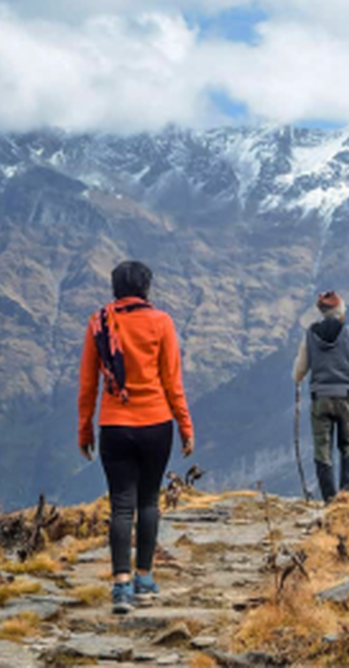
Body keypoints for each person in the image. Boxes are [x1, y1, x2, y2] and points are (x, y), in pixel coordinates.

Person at [77, 261, 195, 614]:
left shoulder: (99, 323)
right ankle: (144, 579)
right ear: (146, 287)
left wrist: (84, 429)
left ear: (115, 287)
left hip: (114, 426)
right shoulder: (161, 323)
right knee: (148, 502)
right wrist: (185, 427)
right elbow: (173, 381)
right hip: (157, 423)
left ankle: (121, 585)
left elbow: (88, 384)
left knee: (121, 505)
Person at [292, 291, 349, 502]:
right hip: (346, 396)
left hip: (320, 398)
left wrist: (300, 379)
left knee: (322, 448)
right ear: (340, 312)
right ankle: (347, 495)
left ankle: (328, 497)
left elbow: (299, 370)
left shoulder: (310, 334)